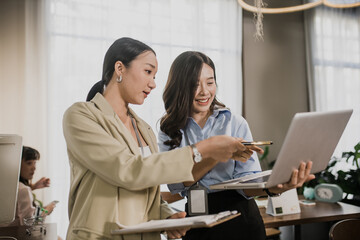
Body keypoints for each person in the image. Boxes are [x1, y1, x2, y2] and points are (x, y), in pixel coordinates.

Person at [62, 37, 254, 240]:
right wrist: (203, 149)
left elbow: (148, 191)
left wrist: (166, 215)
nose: (153, 84)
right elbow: (127, 169)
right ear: (120, 68)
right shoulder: (81, 116)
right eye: (147, 72)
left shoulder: (143, 129)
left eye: (154, 75)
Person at [158, 51, 315, 240]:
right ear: (180, 87)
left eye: (210, 82)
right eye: (194, 84)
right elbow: (177, 182)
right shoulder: (169, 129)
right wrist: (217, 153)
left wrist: (273, 188)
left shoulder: (235, 123)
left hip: (242, 218)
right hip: (196, 221)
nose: (204, 91)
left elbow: (247, 181)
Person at [6, 146, 57, 226]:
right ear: (17, 164)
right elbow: (29, 225)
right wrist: (46, 211)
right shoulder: (23, 189)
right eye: (29, 163)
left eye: (35, 163)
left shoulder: (7, 184)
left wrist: (33, 187)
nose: (34, 168)